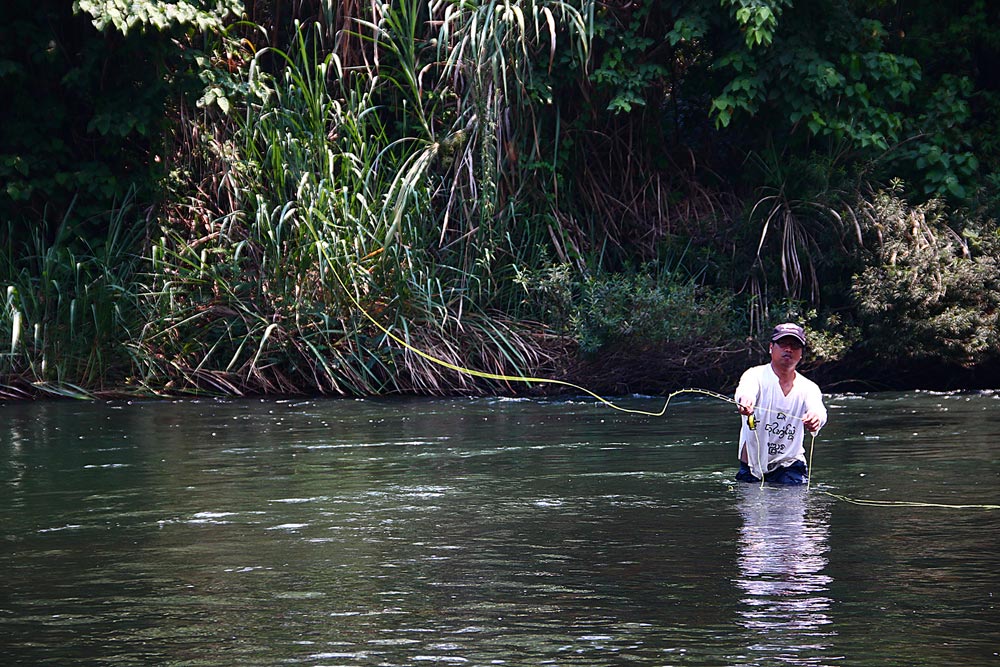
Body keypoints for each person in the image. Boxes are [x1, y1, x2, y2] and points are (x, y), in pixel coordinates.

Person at [734, 323, 827, 485]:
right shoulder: (755, 375)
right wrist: (745, 400)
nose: (789, 349)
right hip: (751, 467)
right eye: (783, 344)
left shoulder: (809, 388)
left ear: (801, 353)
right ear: (771, 347)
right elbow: (745, 391)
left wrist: (815, 418)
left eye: (795, 345)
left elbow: (818, 409)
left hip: (790, 465)